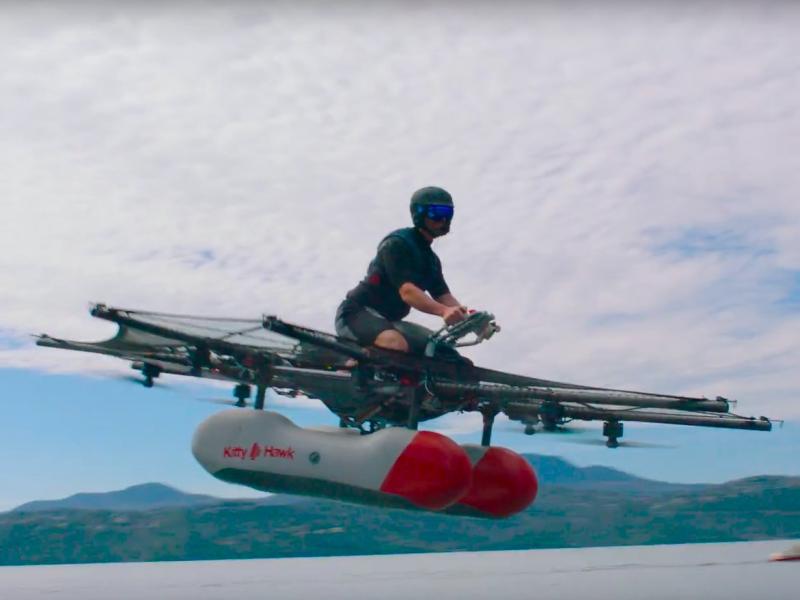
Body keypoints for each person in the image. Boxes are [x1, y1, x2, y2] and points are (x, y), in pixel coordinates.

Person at [335, 186, 468, 355]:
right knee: (394, 343)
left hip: (391, 322)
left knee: (445, 352)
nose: (444, 219)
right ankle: (348, 359)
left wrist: (471, 320)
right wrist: (444, 311)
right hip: (356, 313)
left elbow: (444, 297)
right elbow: (408, 292)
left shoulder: (432, 261)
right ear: (419, 214)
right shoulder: (397, 244)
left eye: (448, 213)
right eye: (437, 213)